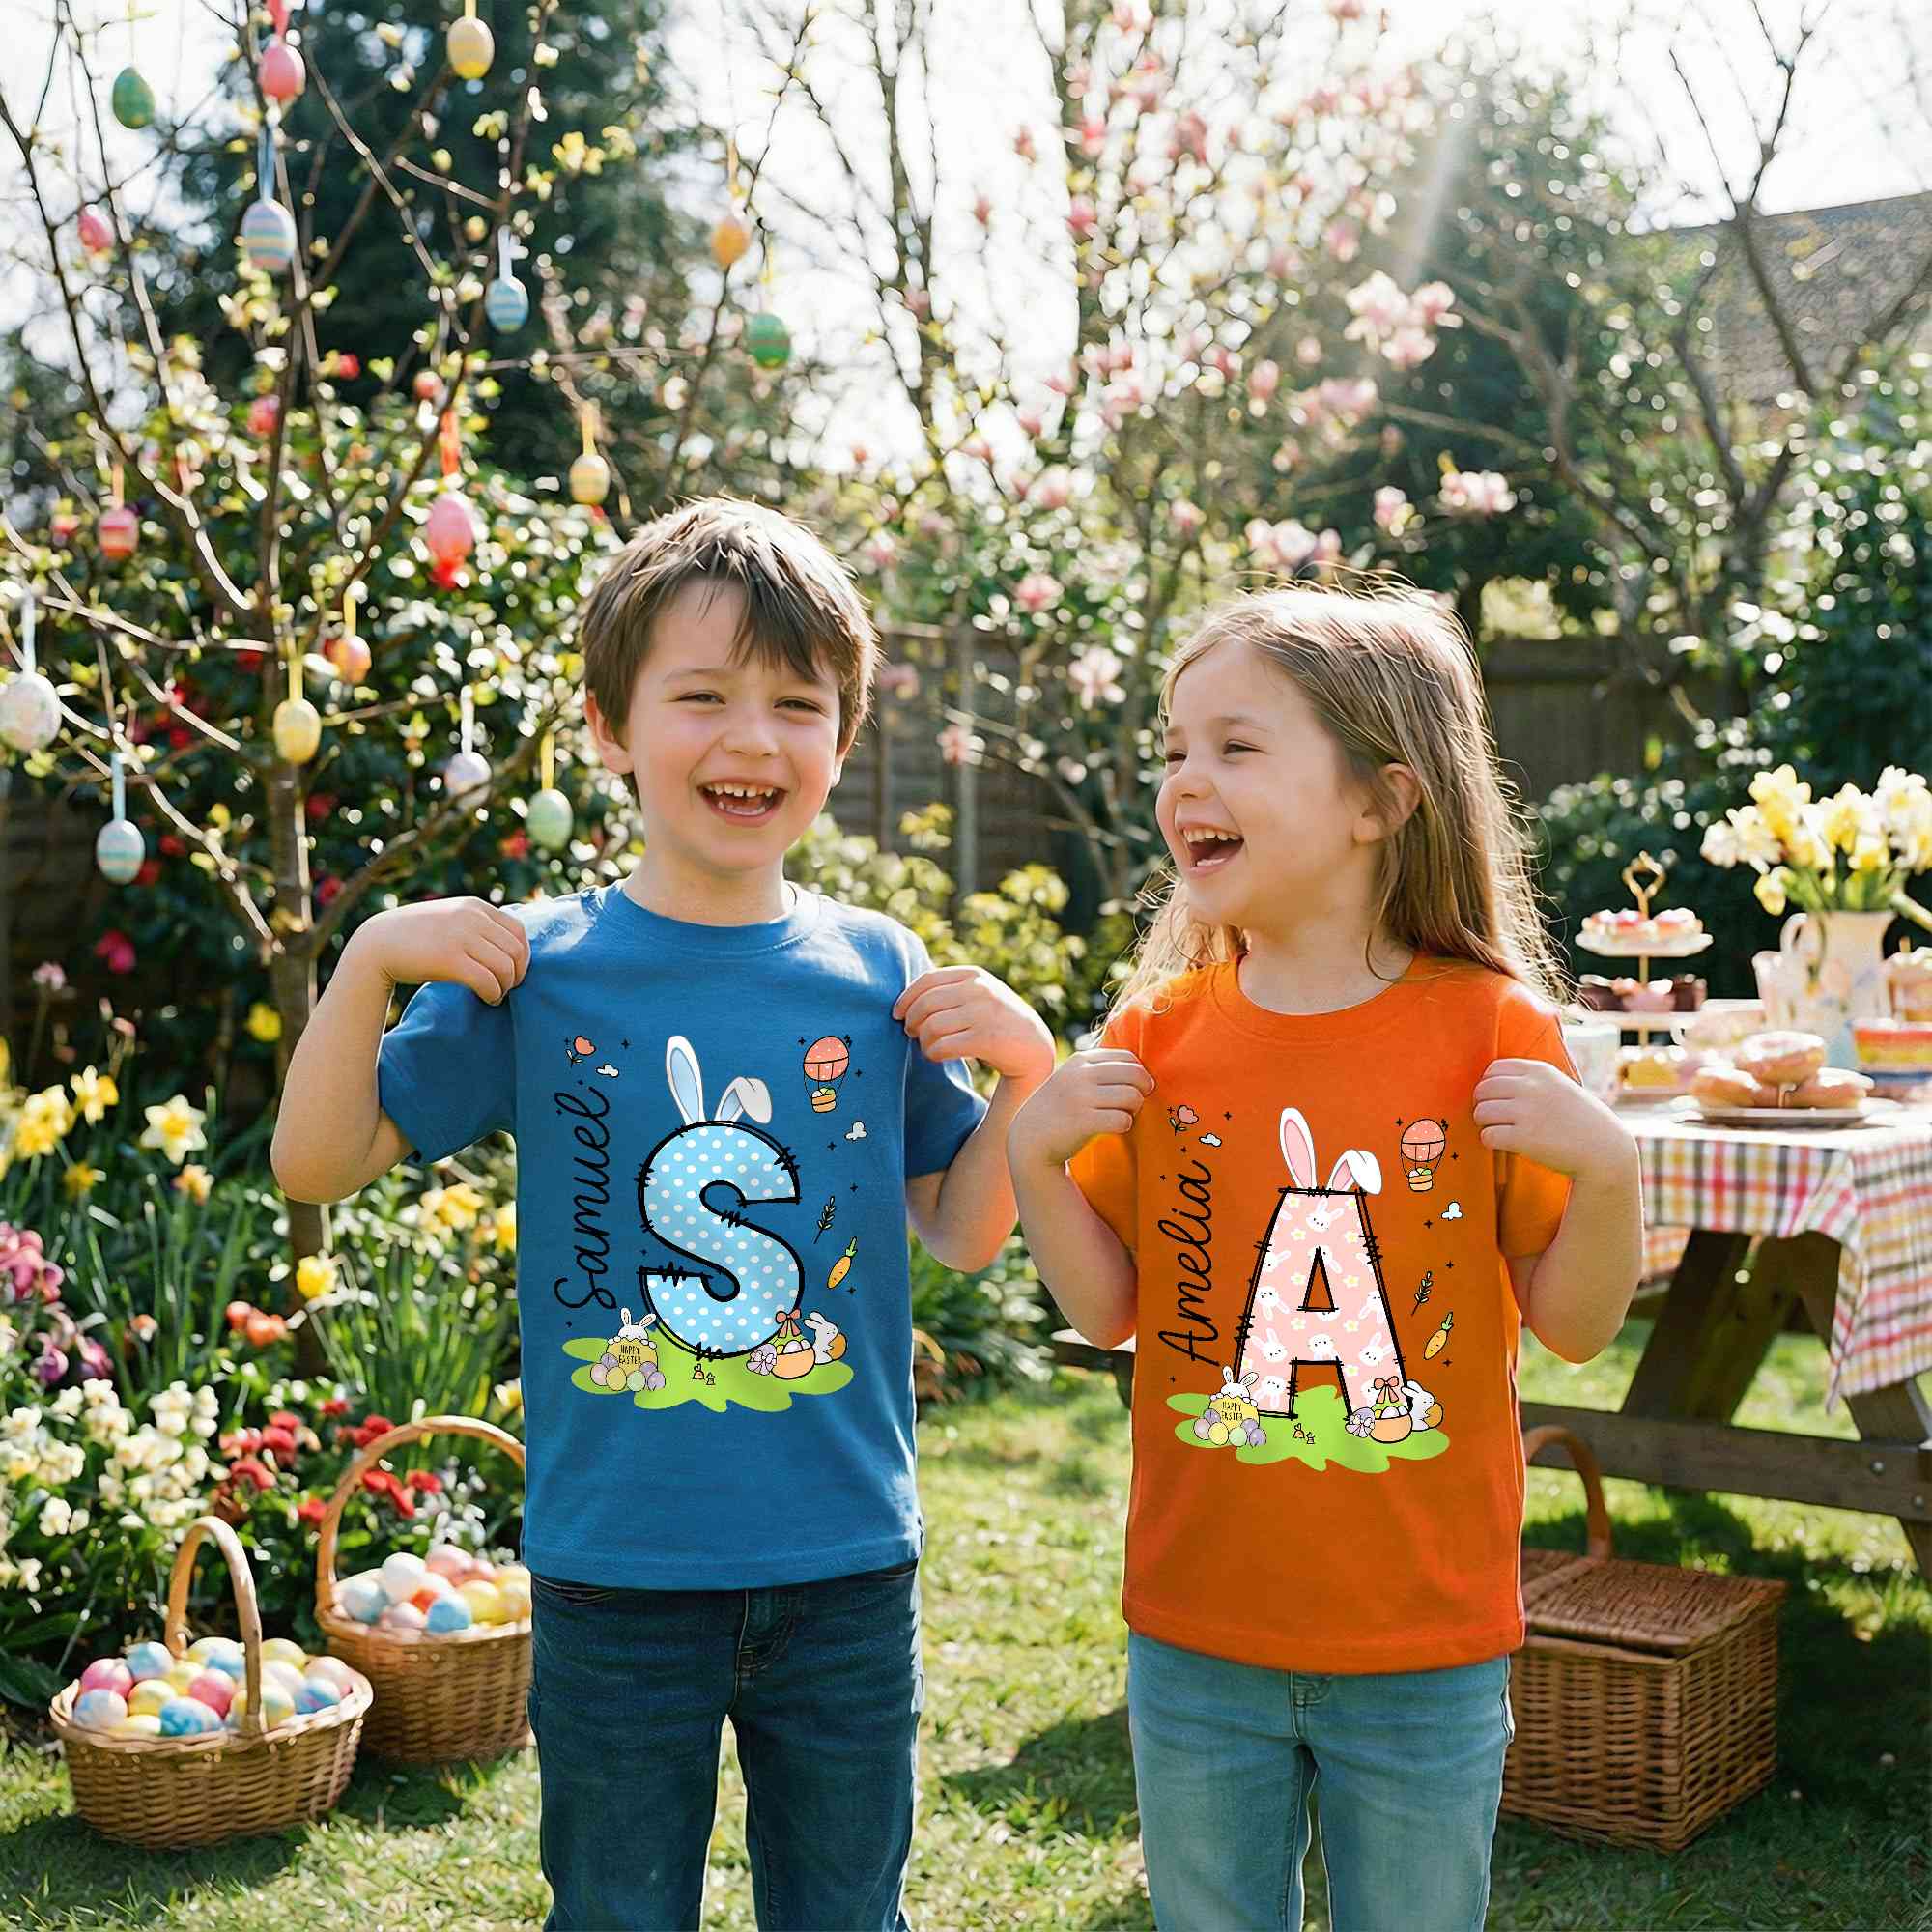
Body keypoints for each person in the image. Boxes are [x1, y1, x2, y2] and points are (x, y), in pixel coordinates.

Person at [272, 497, 1055, 1932]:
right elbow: (317, 1166)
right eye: (702, 697)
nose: (752, 740)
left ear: (842, 740)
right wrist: (371, 958)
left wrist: (1026, 1073)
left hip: (845, 1567)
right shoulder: (538, 969)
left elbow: (960, 1227)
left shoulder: (877, 969)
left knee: (847, 1914)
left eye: (797, 705)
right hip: (615, 1573)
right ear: (607, 729)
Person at [1009, 585, 1642, 1932]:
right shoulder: (1155, 1037)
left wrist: (1609, 1173)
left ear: (1381, 799)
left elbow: (1578, 1328)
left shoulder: (1494, 1033)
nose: (1188, 781)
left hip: (1424, 1643)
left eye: (1237, 747)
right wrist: (1035, 1162)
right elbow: (1109, 1313)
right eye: (1175, 749)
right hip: (1195, 1633)